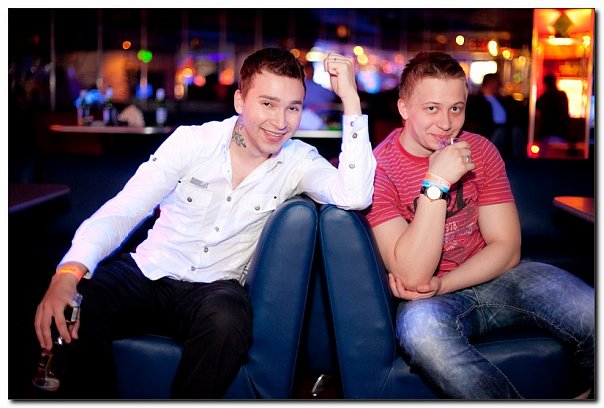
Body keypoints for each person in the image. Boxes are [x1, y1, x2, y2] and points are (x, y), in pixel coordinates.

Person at [33, 47, 376, 399]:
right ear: (240, 101)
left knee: (228, 321)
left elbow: (355, 195)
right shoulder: (193, 141)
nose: (281, 121)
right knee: (85, 297)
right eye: (268, 104)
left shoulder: (299, 161)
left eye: (293, 108)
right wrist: (69, 272)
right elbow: (126, 209)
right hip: (150, 272)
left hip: (215, 288)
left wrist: (351, 99)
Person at [365, 51, 594, 399]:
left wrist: (442, 283)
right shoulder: (379, 168)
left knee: (592, 311)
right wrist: (437, 182)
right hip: (430, 302)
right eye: (432, 108)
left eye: (456, 108)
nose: (446, 123)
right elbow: (412, 275)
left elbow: (507, 248)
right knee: (421, 333)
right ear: (404, 108)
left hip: (496, 277)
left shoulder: (480, 150)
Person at [464, 73, 509, 156]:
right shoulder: (476, 101)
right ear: (489, 83)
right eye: (496, 83)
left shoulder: (501, 100)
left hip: (503, 130)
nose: (499, 86)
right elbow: (474, 121)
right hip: (487, 132)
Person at [536, 73, 571, 142]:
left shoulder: (544, 97)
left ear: (545, 84)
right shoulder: (562, 95)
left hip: (547, 132)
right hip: (561, 132)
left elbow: (537, 111)